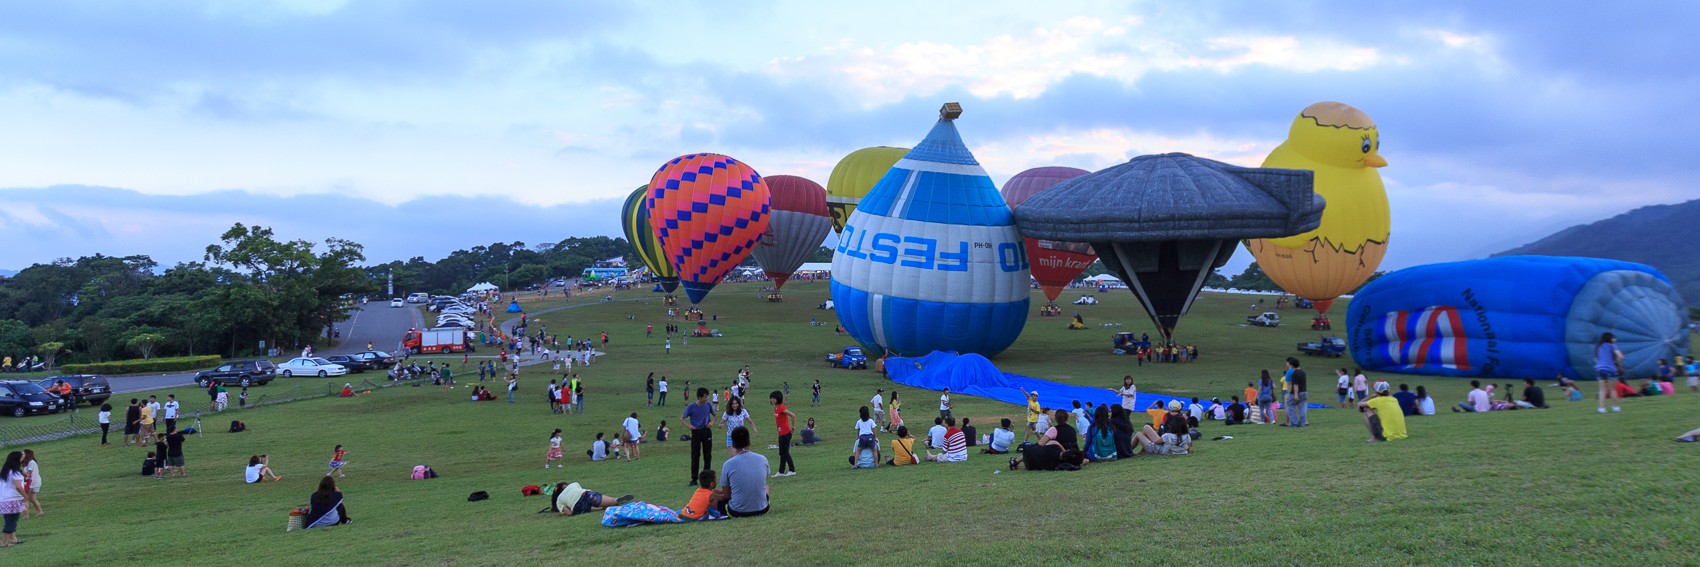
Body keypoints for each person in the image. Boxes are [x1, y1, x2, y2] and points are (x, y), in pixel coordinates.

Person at [717, 426, 770, 517]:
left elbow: (726, 494)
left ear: (733, 444)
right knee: (766, 487)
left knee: (713, 500)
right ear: (749, 442)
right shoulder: (763, 459)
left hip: (737, 511)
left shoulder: (728, 464)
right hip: (762, 509)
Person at [682, 388, 715, 486]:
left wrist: (712, 422)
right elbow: (682, 418)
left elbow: (715, 415)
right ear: (700, 397)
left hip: (706, 431)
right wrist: (689, 426)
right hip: (696, 432)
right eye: (705, 397)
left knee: (707, 455)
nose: (707, 398)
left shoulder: (708, 405)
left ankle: (707, 479)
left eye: (707, 396)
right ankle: (694, 478)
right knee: (695, 455)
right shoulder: (691, 407)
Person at [769, 391, 797, 478]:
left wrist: (793, 427)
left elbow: (793, 415)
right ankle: (781, 472)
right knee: (782, 452)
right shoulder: (775, 408)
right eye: (771, 398)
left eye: (774, 398)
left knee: (785, 452)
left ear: (778, 399)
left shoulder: (781, 408)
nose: (772, 400)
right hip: (781, 433)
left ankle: (792, 470)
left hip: (786, 433)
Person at [1595, 332, 1624, 413]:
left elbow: (1596, 359)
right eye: (1613, 338)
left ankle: (1601, 408)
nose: (1615, 339)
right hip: (1610, 369)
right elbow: (1620, 356)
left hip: (1600, 369)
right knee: (1613, 389)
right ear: (1610, 338)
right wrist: (1617, 362)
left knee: (1602, 390)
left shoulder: (1598, 346)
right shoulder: (1612, 345)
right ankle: (1615, 407)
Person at [1, 452, 25, 547]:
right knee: (12, 521)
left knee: (9, 519)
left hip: (4, 499)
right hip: (14, 499)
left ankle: (14, 539)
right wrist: (26, 496)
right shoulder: (16, 472)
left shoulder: (4, 471)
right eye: (22, 457)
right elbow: (18, 486)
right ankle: (4, 542)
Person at [1283, 358, 1309, 427]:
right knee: (1303, 407)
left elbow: (1295, 385)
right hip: (1304, 392)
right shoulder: (1303, 372)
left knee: (1289, 404)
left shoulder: (1295, 373)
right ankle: (1303, 423)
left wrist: (1296, 394)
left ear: (1292, 365)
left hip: (1297, 392)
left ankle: (1294, 422)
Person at [19, 450, 42, 517]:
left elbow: (28, 474)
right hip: (32, 483)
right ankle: (40, 512)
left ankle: (26, 515)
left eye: (23, 454)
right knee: (32, 498)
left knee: (26, 498)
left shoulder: (31, 462)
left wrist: (19, 471)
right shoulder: (28, 464)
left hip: (32, 483)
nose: (21, 455)